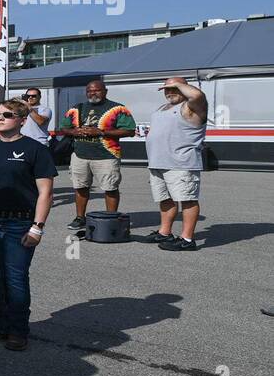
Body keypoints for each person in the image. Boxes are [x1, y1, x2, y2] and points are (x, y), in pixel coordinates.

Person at [0, 98, 56, 351]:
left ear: (22, 120)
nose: (0, 118)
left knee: (15, 278)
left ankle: (18, 330)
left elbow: (45, 192)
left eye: (7, 115)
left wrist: (37, 227)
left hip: (19, 222)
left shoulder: (35, 150)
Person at [56, 78, 135, 230]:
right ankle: (80, 218)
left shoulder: (118, 108)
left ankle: (111, 219)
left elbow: (130, 131)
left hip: (106, 155)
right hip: (80, 154)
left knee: (110, 188)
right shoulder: (77, 108)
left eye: (96, 90)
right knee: (80, 187)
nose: (92, 93)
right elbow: (64, 127)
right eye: (89, 91)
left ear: (105, 91)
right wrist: (75, 131)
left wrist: (100, 131)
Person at [146, 76, 208, 251]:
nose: (170, 92)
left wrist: (179, 84)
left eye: (175, 88)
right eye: (167, 88)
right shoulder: (162, 108)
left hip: (181, 164)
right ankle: (165, 232)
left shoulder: (191, 107)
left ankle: (187, 240)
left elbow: (198, 96)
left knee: (187, 200)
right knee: (165, 199)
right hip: (158, 163)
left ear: (185, 88)